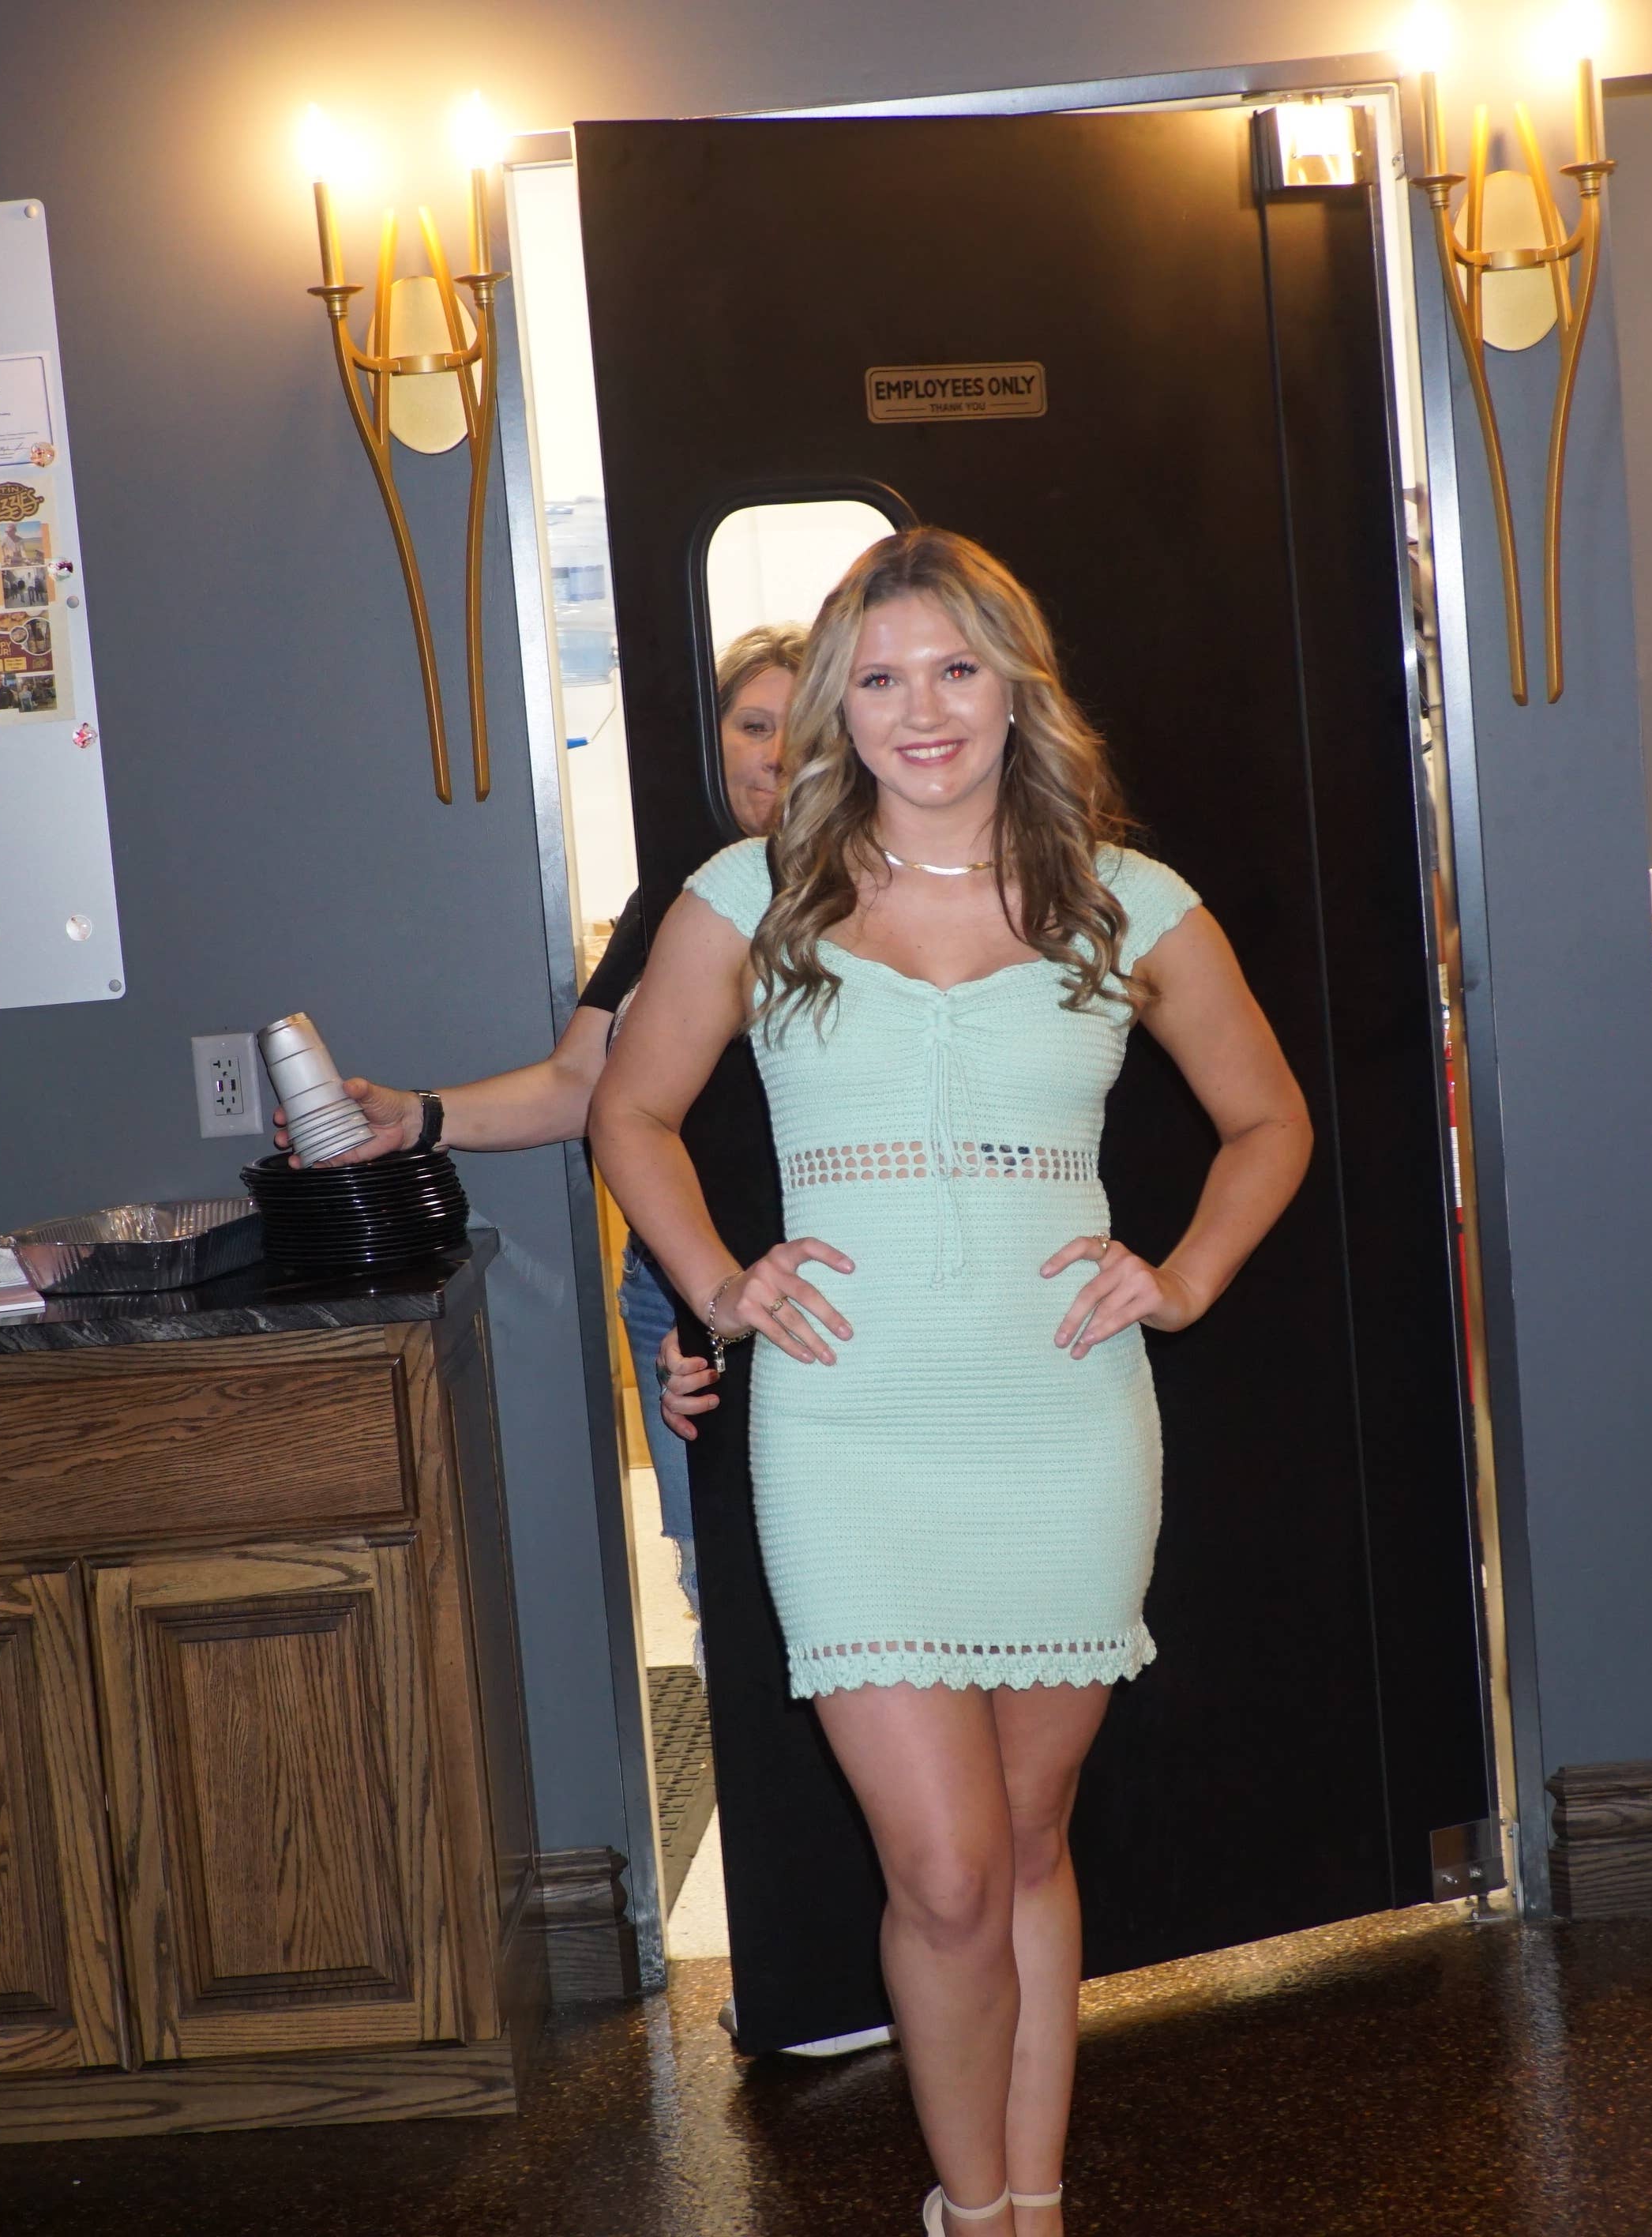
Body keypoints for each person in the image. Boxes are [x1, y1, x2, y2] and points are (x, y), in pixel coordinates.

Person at [591, 528, 1310, 2237]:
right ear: (836, 706)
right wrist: (717, 1283)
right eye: (882, 678)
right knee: (944, 1866)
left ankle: (1028, 2202)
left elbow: (1268, 1119)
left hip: (1062, 1421)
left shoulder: (1126, 899)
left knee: (1032, 1842)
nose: (921, 712)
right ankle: (968, 2203)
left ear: (1014, 688)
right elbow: (631, 1107)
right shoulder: (749, 892)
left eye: (956, 670)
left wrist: (1181, 1277)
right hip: (846, 1431)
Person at [285, 621, 811, 1630]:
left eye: (805, 729)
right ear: (709, 745)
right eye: (752, 726)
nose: (778, 753)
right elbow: (585, 1084)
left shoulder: (876, 899)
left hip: (821, 1290)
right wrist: (417, 1117)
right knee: (727, 1599)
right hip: (682, 1299)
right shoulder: (675, 903)